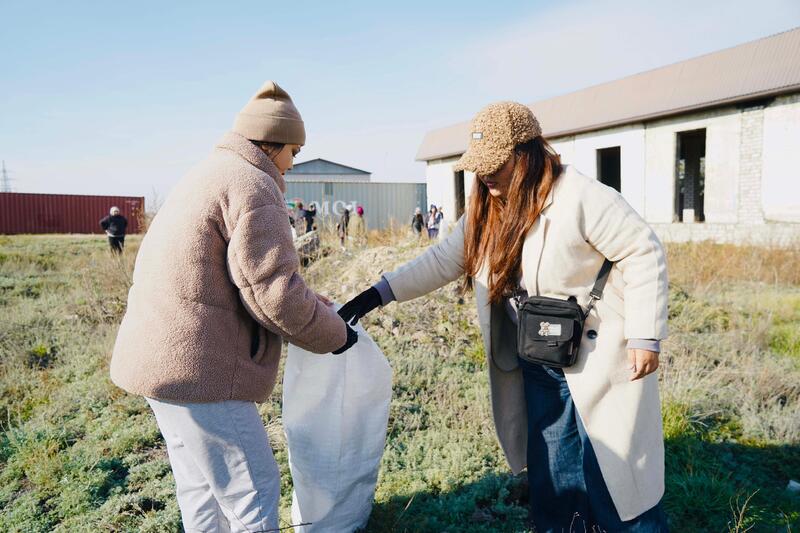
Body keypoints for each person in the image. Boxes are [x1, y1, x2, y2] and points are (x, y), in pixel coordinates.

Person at [339, 102, 669, 532]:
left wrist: (645, 335)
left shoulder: (580, 196)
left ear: (526, 154)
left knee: (614, 469)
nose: (486, 176)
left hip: (600, 354)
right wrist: (377, 294)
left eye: (495, 165)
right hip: (539, 355)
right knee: (553, 465)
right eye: (480, 167)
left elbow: (642, 250)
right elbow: (441, 260)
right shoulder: (487, 210)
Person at [109, 81, 358, 533]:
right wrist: (337, 336)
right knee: (252, 492)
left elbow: (237, 276)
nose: (292, 163)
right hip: (199, 370)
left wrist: (310, 302)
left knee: (201, 489)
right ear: (273, 143)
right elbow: (274, 294)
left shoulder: (208, 173)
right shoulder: (254, 186)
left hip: (158, 360)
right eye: (294, 151)